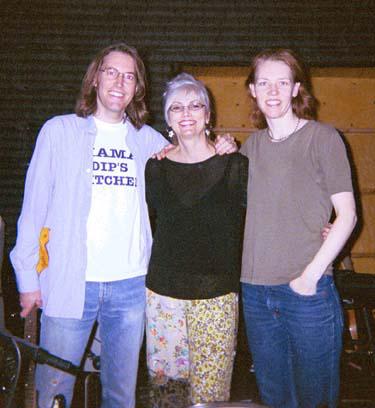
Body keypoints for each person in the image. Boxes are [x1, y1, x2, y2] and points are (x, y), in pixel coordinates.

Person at [10, 44, 236, 408]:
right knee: (54, 390)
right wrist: (27, 280)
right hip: (70, 283)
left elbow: (192, 155)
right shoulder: (59, 132)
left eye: (129, 75)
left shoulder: (148, 141)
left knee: (121, 395)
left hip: (131, 288)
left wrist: (222, 144)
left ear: (137, 87)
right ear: (95, 78)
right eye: (112, 72)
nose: (120, 81)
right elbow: (32, 210)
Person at [240, 48, 357, 408]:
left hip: (306, 293)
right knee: (275, 399)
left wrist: (310, 275)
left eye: (282, 82)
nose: (272, 91)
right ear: (252, 91)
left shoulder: (323, 138)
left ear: (295, 89)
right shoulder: (248, 148)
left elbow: (348, 215)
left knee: (315, 400)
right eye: (264, 83)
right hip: (256, 294)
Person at [144, 73, 248, 407]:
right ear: (168, 119)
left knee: (211, 395)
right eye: (176, 107)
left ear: (208, 114)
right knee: (167, 395)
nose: (186, 112)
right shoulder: (155, 167)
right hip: (163, 295)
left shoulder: (235, 164)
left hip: (216, 296)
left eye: (195, 105)